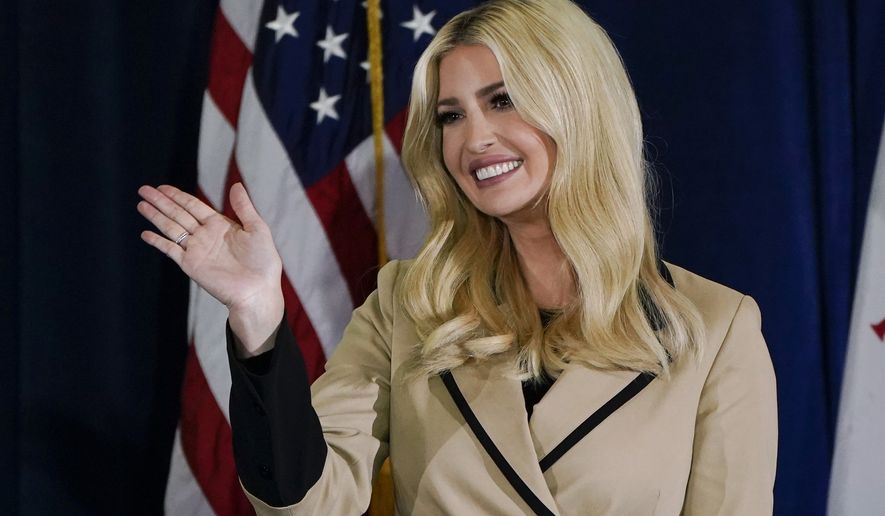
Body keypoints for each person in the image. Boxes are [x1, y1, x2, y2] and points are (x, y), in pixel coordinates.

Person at [137, 0, 778, 514]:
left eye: (501, 100)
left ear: (579, 107)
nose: (473, 139)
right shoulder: (407, 305)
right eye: (450, 116)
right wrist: (258, 319)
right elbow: (308, 502)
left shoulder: (714, 327)